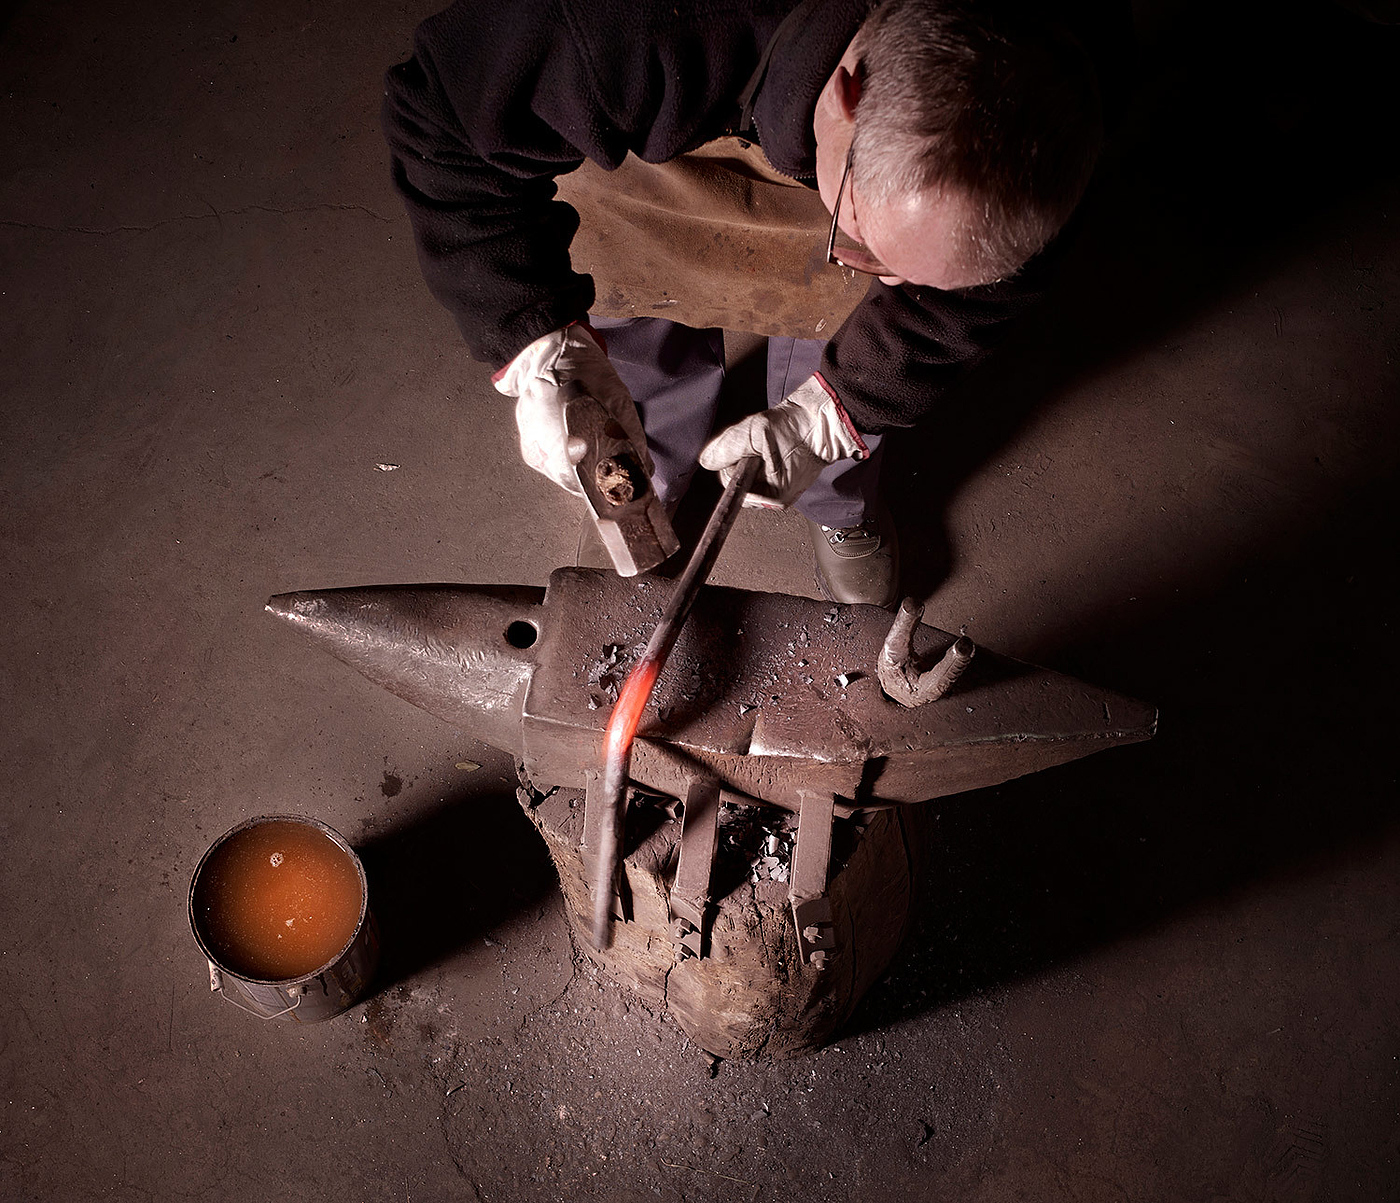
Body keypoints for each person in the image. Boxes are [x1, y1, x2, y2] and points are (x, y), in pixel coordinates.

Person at [382, 0, 1116, 605]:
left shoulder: (1062, 96)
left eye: (918, 276)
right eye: (861, 239)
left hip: (817, 155)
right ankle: (643, 482)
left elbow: (979, 295)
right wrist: (534, 332)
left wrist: (833, 414)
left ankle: (838, 507)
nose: (888, 285)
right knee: (631, 360)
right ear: (844, 96)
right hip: (650, 160)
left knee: (835, 391)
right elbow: (441, 111)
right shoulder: (618, 29)